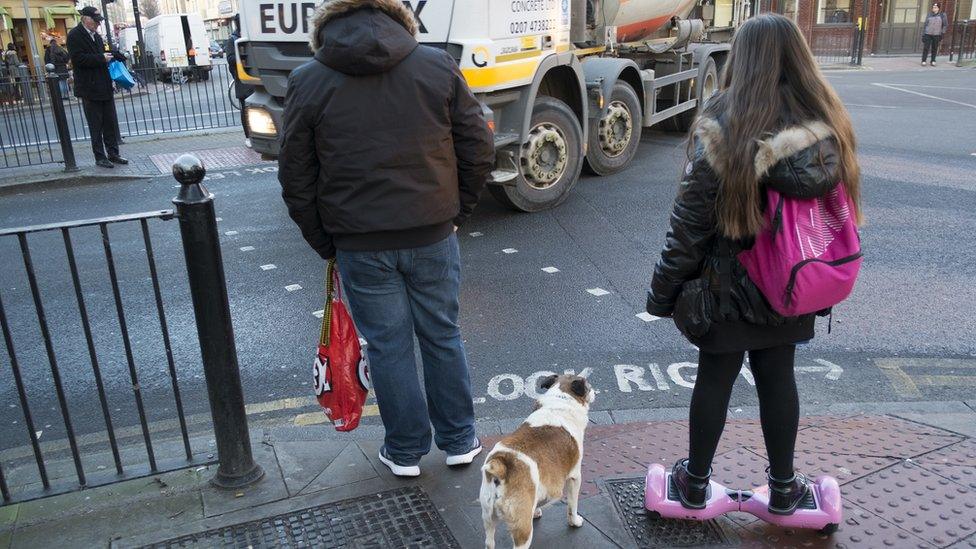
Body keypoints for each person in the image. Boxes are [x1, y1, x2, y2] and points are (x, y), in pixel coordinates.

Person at [646, 13, 862, 515]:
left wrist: (663, 293)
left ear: (741, 59)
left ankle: (695, 484)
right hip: (790, 280)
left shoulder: (724, 122)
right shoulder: (826, 124)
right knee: (778, 375)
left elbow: (690, 224)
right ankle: (785, 489)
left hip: (727, 286)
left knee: (715, 378)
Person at [278, 0, 493, 477]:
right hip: (432, 232)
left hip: (359, 243)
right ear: (401, 20)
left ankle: (404, 450)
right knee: (441, 334)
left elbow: (296, 175)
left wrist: (327, 243)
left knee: (388, 346)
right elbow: (478, 147)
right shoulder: (437, 66)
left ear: (326, 27)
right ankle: (459, 440)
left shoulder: (308, 79)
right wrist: (457, 214)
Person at [67, 6, 127, 168]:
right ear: (85, 19)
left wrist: (114, 55)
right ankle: (100, 157)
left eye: (99, 21)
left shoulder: (97, 37)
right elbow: (78, 59)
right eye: (96, 21)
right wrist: (101, 58)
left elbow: (102, 54)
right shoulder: (74, 36)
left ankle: (113, 154)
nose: (98, 24)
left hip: (104, 85)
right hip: (89, 88)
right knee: (96, 125)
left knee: (110, 122)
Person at [224, 14, 254, 145]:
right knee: (245, 109)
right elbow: (230, 59)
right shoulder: (233, 39)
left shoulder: (250, 36)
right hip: (243, 80)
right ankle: (248, 136)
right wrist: (245, 57)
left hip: (254, 79)